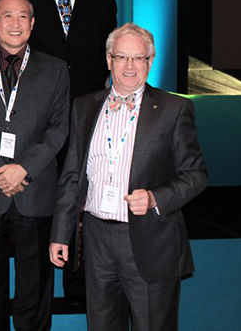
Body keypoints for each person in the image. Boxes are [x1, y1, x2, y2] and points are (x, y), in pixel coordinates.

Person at [50, 23, 208, 331]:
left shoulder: (174, 109)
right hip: (96, 239)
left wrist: (155, 198)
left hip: (150, 240)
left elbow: (196, 174)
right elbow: (72, 176)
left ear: (151, 61)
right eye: (122, 57)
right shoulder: (84, 106)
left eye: (139, 58)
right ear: (109, 59)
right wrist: (60, 233)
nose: (130, 66)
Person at [17, 0, 117, 305]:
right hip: (38, 118)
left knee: (81, 199)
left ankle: (79, 286)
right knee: (39, 202)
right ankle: (37, 293)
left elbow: (108, 59)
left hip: (87, 115)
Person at [0, 0, 70, 331]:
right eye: (8, 16)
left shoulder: (55, 69)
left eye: (23, 16)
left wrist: (24, 169)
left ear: (33, 24)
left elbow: (59, 127)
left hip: (35, 189)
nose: (16, 23)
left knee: (34, 284)